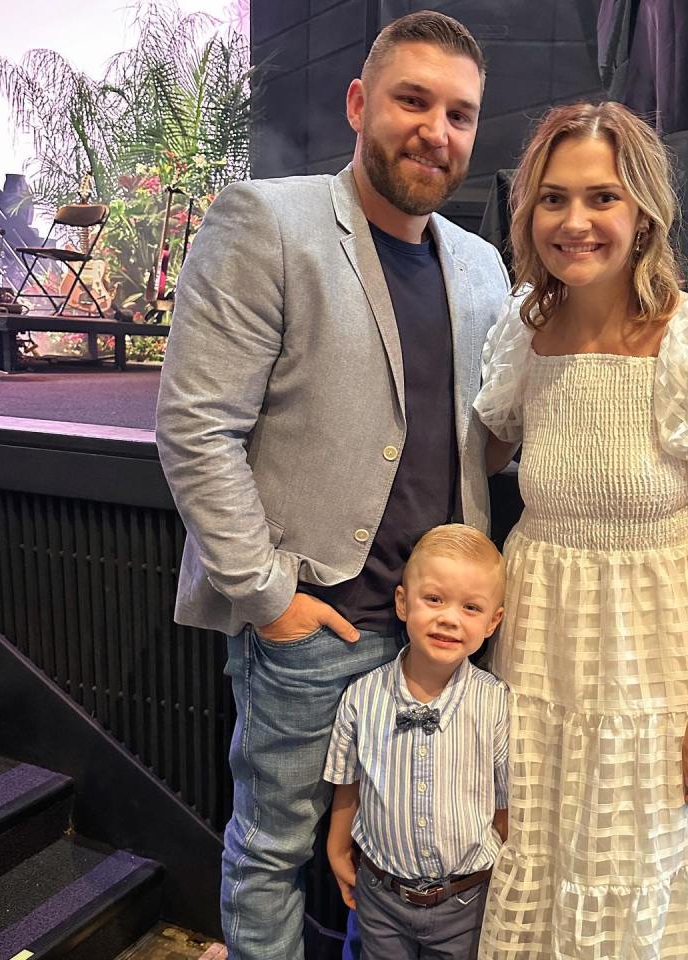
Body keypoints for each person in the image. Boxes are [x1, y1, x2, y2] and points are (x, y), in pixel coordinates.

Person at [155, 12, 510, 959]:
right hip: (319, 623)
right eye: (413, 100)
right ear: (360, 103)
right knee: (275, 851)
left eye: (461, 113)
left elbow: (481, 443)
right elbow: (197, 427)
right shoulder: (266, 221)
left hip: (443, 635)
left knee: (410, 857)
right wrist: (271, 598)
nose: (438, 130)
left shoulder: (481, 266)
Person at [473, 101, 688, 959]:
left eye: (602, 197)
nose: (576, 220)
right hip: (541, 657)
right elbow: (479, 456)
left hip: (660, 669)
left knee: (655, 891)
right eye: (553, 198)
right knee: (543, 869)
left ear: (643, 212)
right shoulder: (525, 336)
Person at [323, 523, 508, 960]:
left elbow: (504, 805)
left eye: (471, 607)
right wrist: (336, 845)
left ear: (492, 622)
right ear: (403, 603)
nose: (449, 618)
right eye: (435, 599)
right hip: (380, 893)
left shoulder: (494, 703)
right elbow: (349, 782)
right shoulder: (363, 696)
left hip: (465, 899)